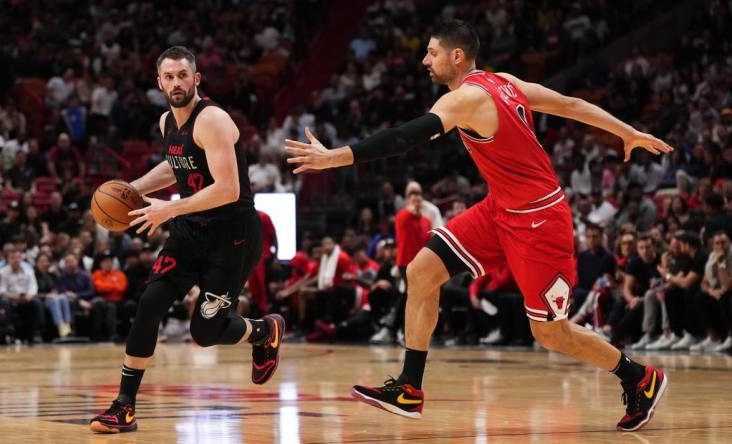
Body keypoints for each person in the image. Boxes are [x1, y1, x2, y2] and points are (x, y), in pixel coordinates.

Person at [285, 20, 672, 431]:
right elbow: (569, 104)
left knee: (551, 334)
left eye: (432, 53)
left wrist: (336, 157)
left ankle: (639, 378)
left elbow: (403, 138)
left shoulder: (464, 99)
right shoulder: (501, 81)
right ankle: (409, 388)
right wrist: (627, 131)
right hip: (499, 209)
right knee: (421, 272)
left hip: (539, 220)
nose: (424, 60)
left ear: (457, 56)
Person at [90, 46, 284, 434]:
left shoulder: (212, 120)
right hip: (190, 232)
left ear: (197, 79)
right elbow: (176, 164)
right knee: (150, 302)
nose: (176, 82)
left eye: (183, 75)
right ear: (159, 82)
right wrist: (132, 188)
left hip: (232, 237)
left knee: (204, 332)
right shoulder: (167, 122)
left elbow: (228, 189)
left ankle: (264, 331)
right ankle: (124, 405)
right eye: (169, 76)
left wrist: (168, 208)